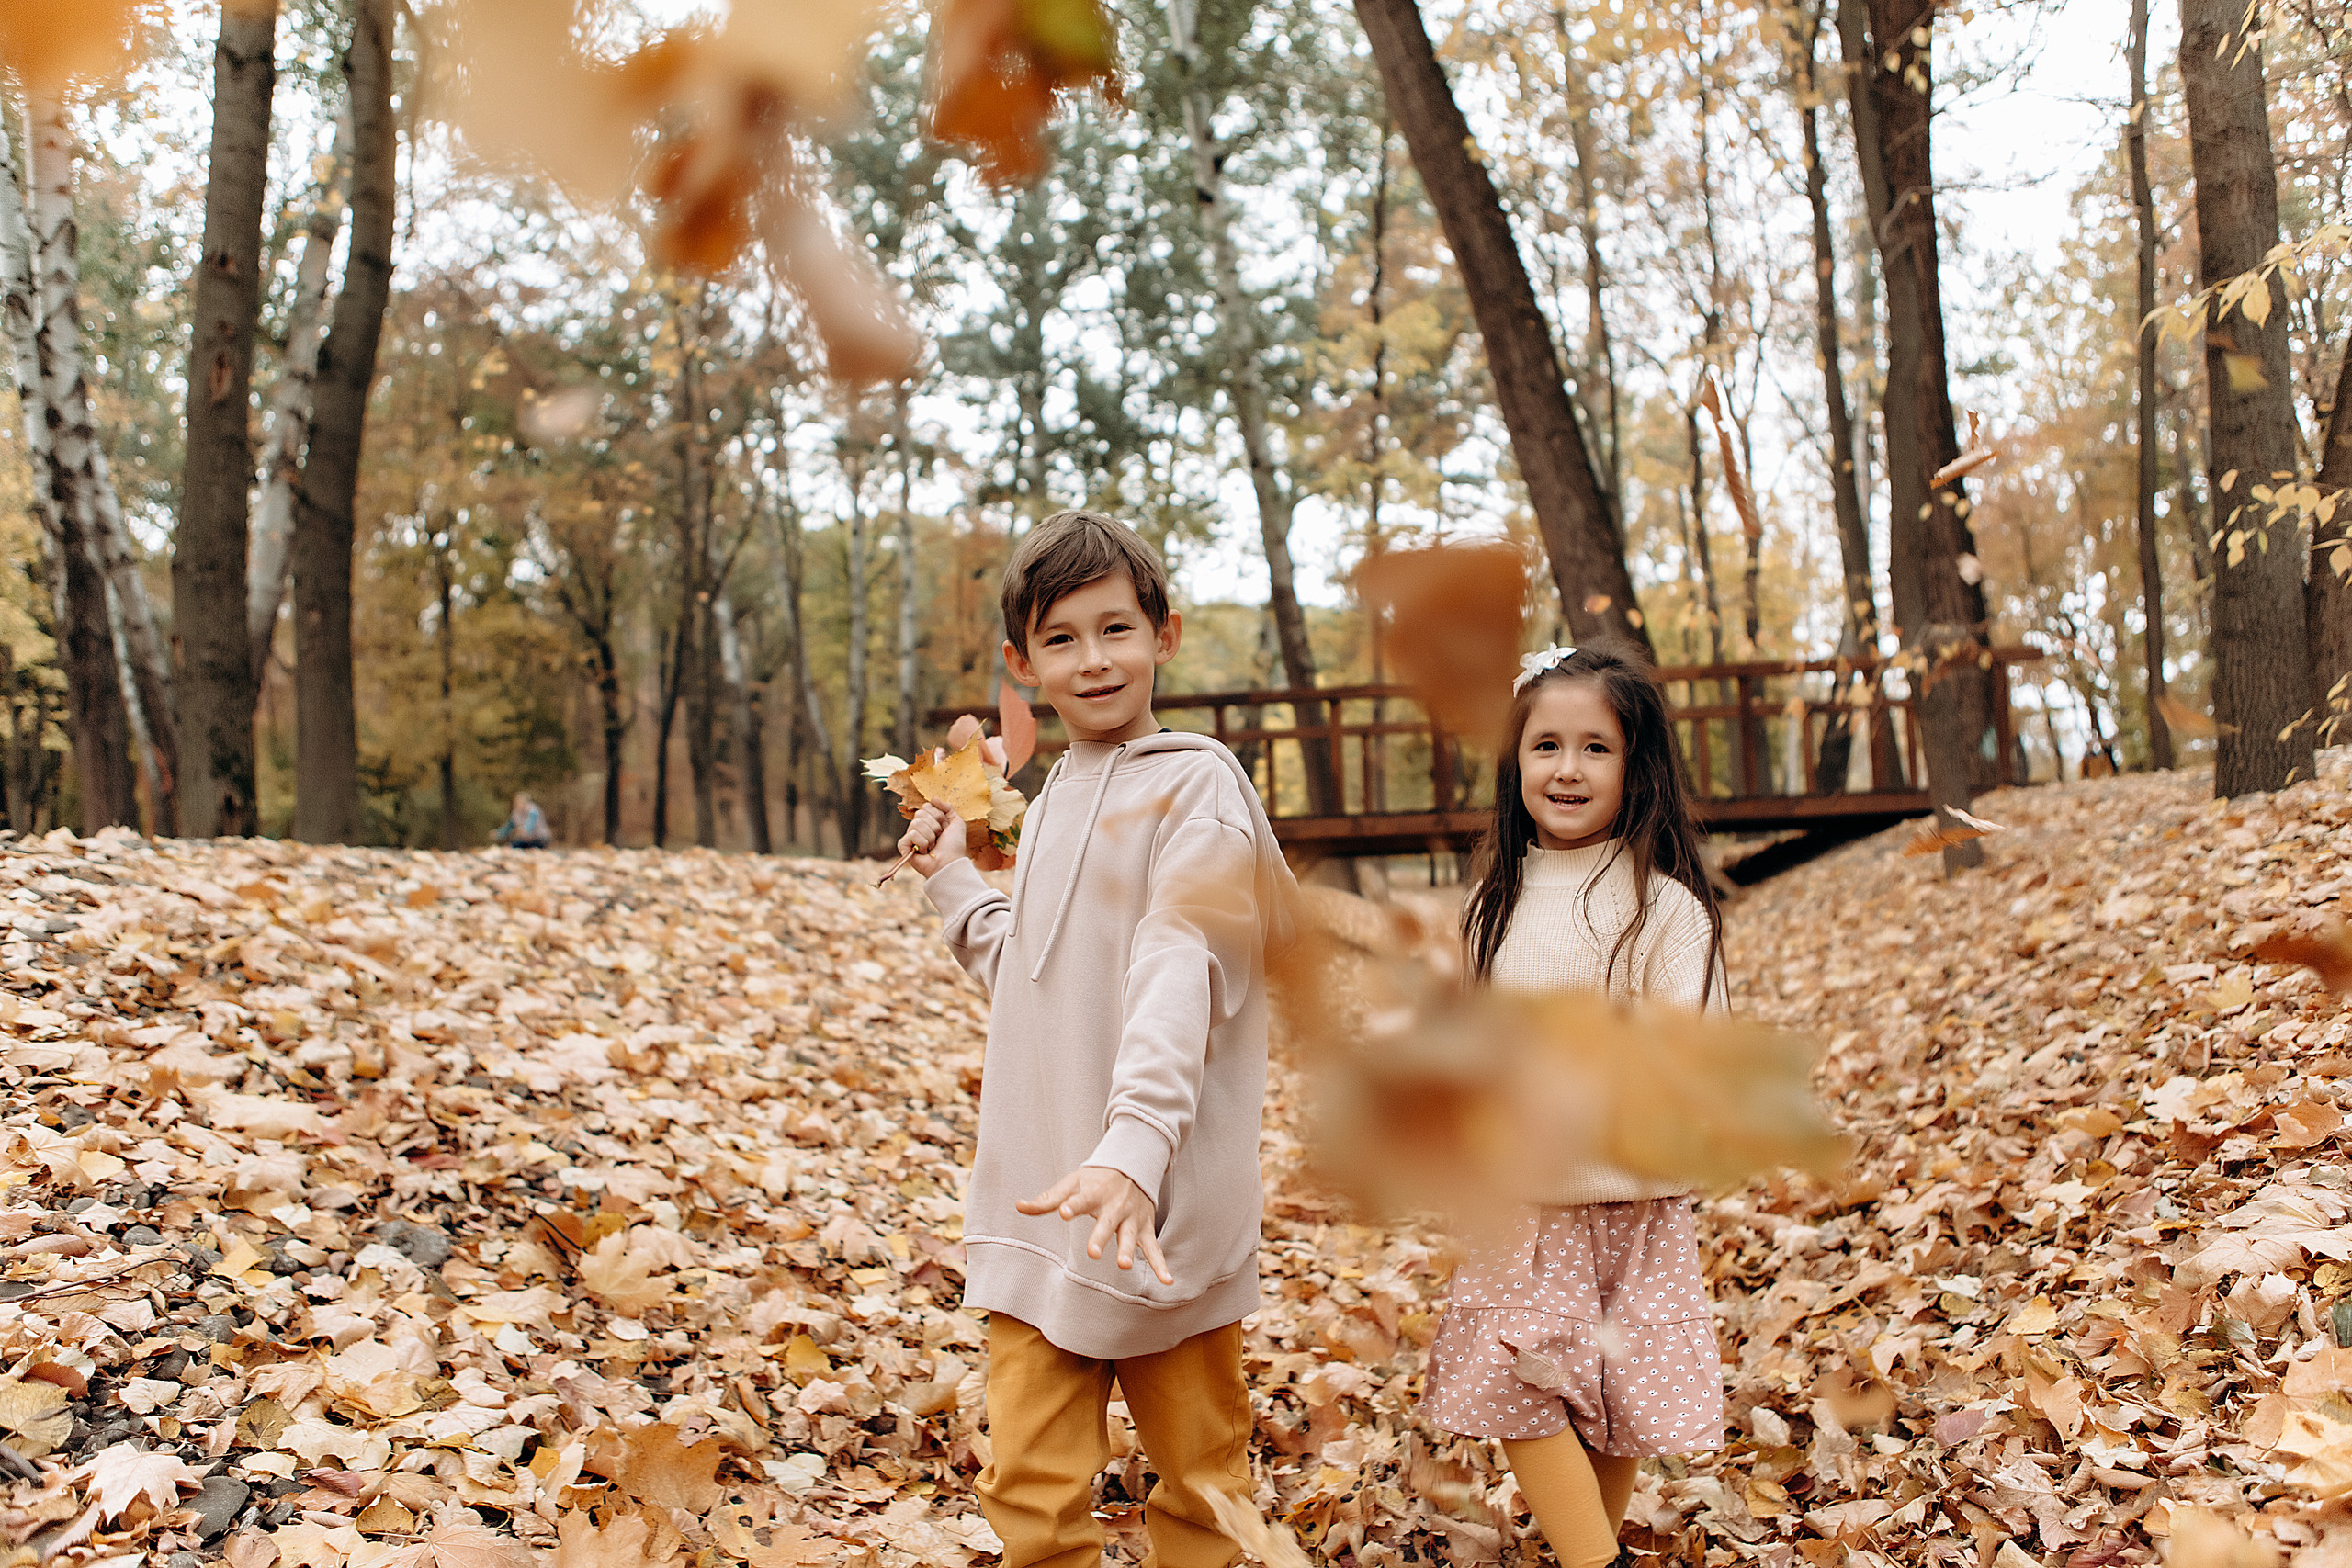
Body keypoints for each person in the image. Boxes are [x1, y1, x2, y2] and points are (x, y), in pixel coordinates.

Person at [896, 510, 1295, 1568]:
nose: (1094, 658)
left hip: (1160, 1209)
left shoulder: (1195, 787)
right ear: (1023, 667)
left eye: (1115, 628)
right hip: (1039, 1204)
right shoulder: (1057, 794)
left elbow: (1180, 970)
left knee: (1202, 1478)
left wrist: (1133, 1149)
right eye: (1062, 639)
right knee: (1027, 1486)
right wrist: (949, 878)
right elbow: (1027, 972)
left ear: (1163, 635)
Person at [1423, 642, 1728, 1568]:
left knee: (1613, 1391)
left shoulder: (1663, 909)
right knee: (1523, 1382)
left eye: (1595, 747)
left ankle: (1584, 1553)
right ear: (1515, 762)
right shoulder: (1491, 905)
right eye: (1544, 745)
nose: (1566, 768)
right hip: (1522, 1200)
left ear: (1636, 767)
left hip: (1631, 1197)